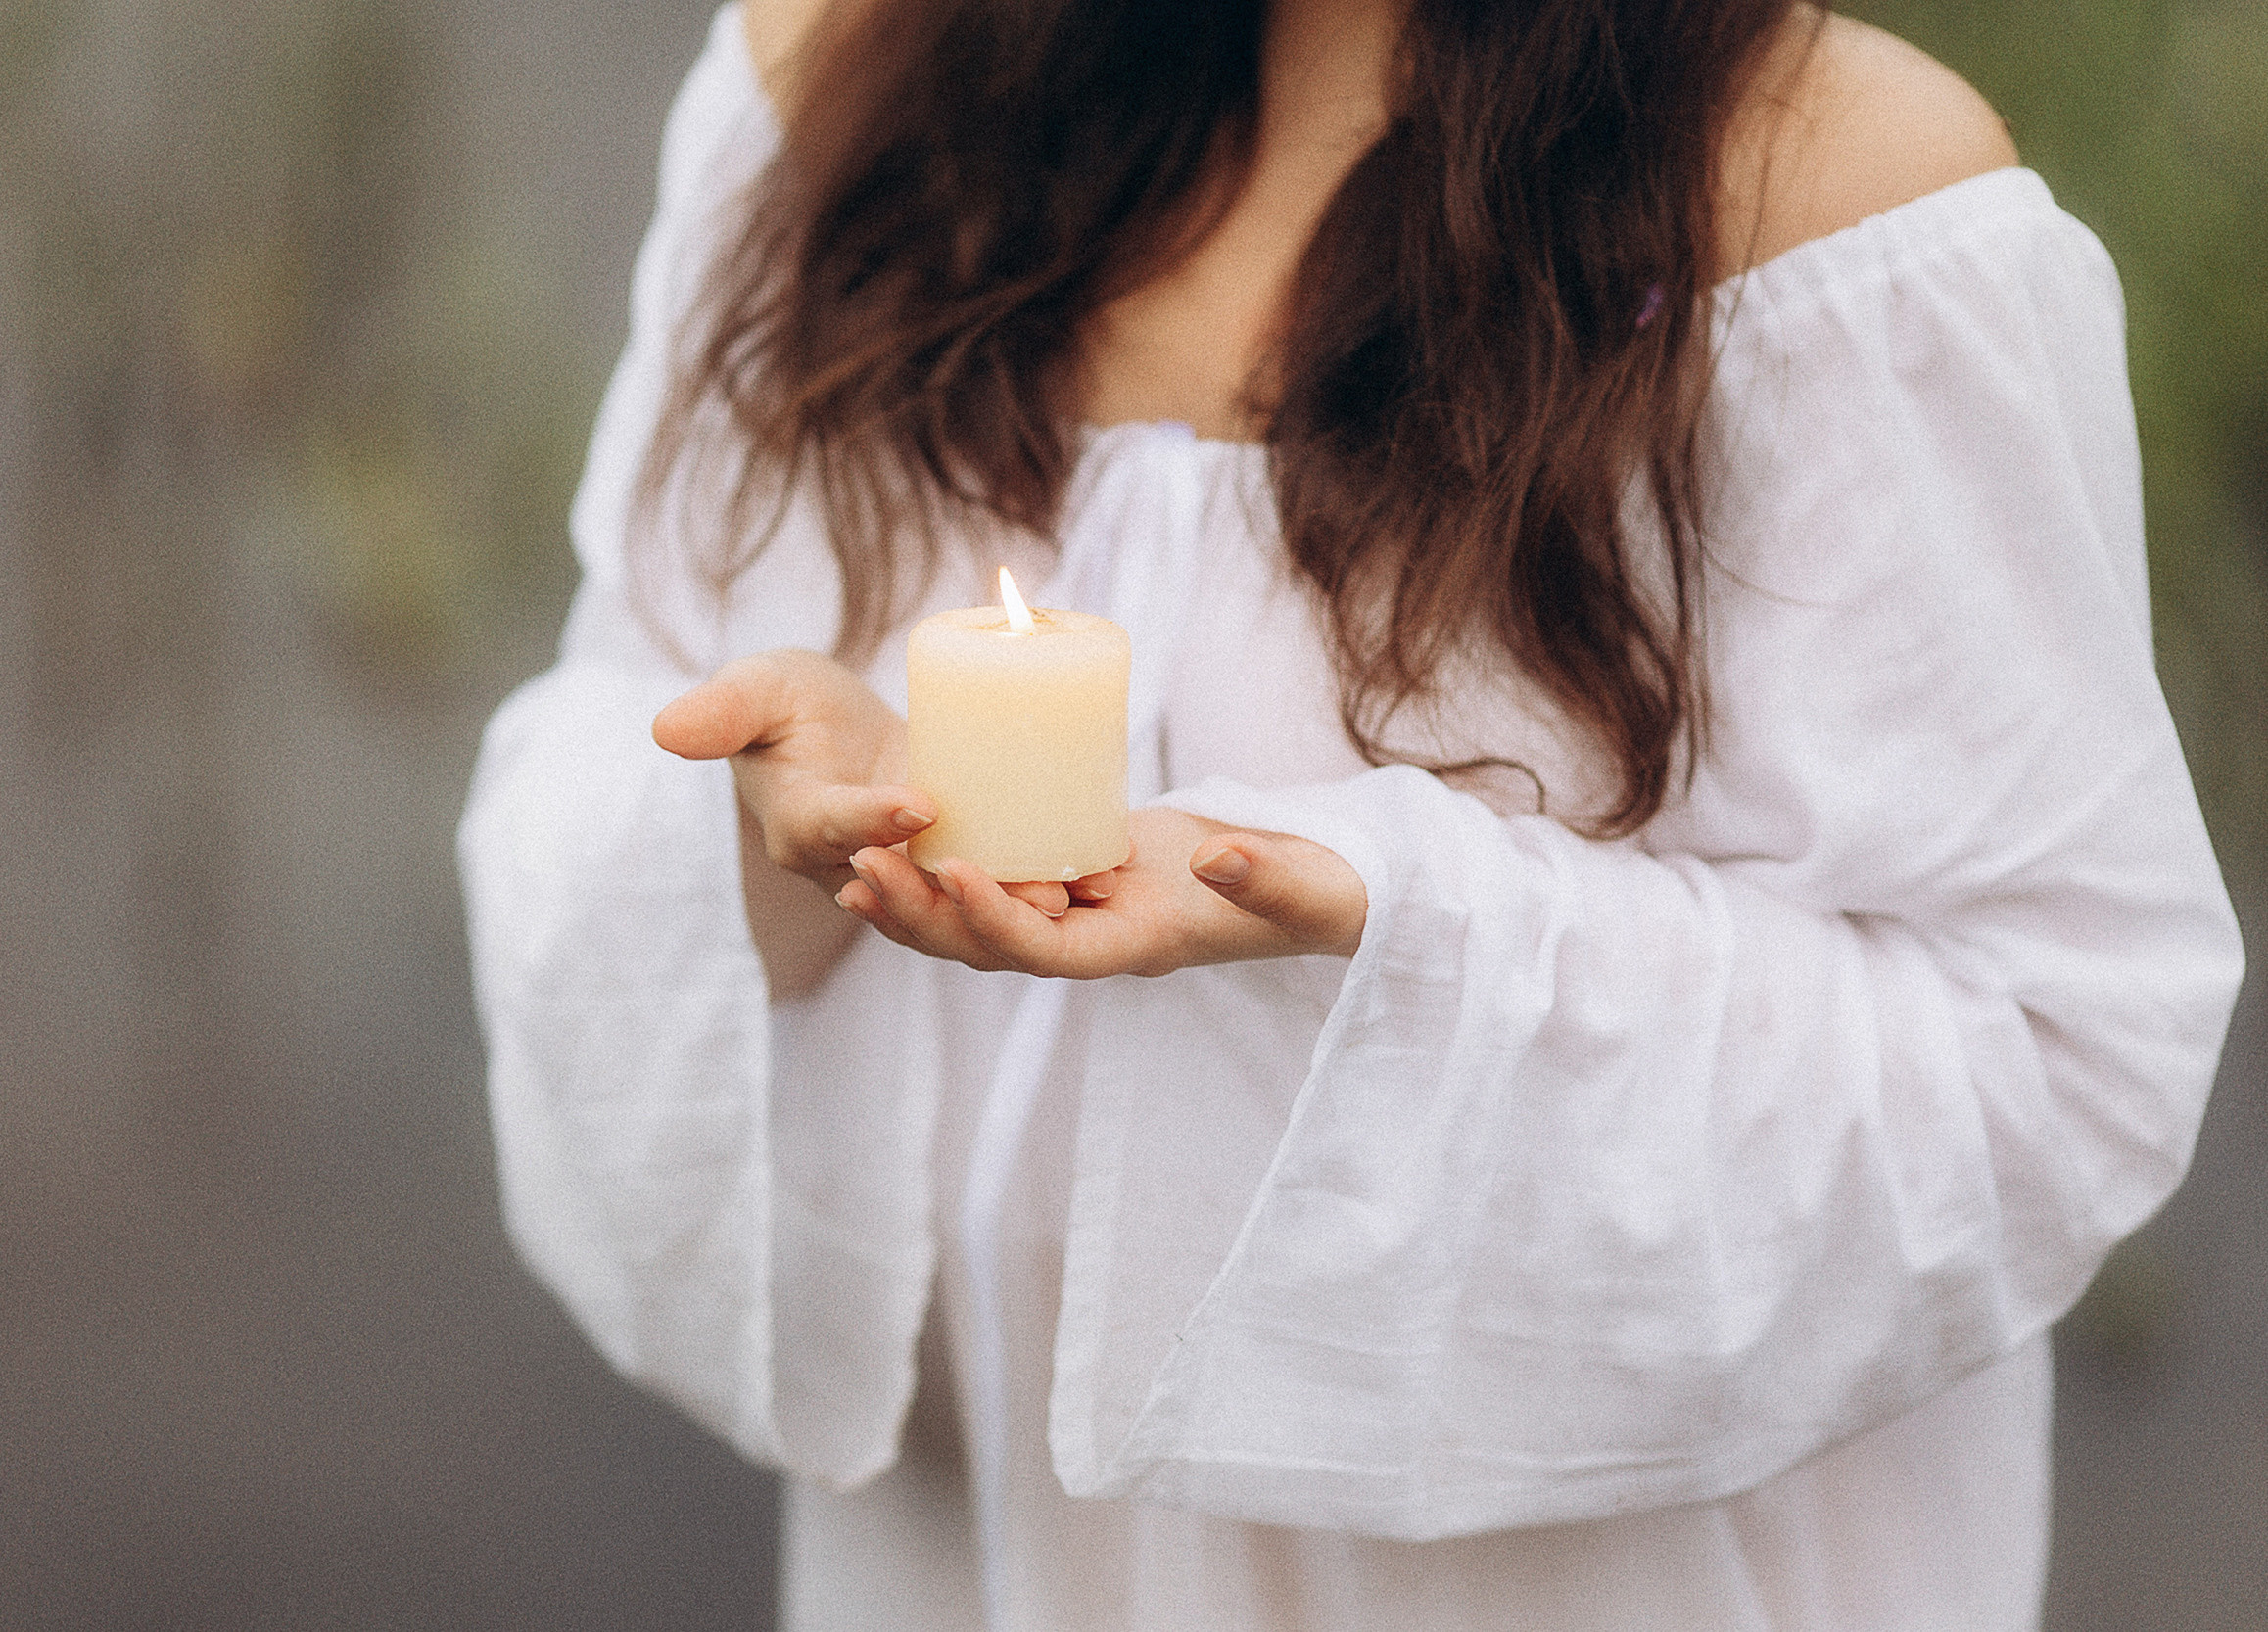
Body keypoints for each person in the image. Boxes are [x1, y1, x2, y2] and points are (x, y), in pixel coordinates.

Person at [457, 0, 2244, 1625]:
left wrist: (1392, 932)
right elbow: (595, 741)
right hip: (968, 1567)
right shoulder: (835, 80)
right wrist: (776, 826)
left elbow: (2055, 1043)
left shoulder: (1828, 192)